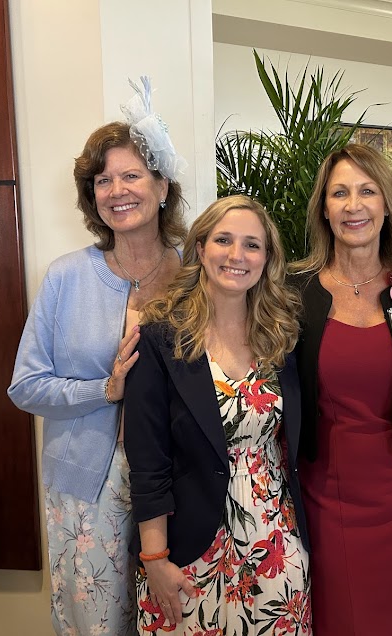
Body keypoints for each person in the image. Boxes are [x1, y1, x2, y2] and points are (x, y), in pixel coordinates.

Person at [8, 78, 187, 635]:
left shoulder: (198, 273)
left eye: (131, 175)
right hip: (86, 486)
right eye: (102, 180)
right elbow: (25, 386)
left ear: (161, 185)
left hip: (180, 479)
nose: (116, 190)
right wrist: (103, 390)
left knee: (177, 618)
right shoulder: (65, 277)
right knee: (97, 625)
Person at [124, 195, 311, 634]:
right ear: (201, 248)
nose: (236, 255)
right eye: (224, 240)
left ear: (267, 258)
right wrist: (155, 558)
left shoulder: (281, 336)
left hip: (274, 538)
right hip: (187, 547)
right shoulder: (160, 338)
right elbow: (148, 462)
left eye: (252, 244)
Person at [289, 143, 392, 635]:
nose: (353, 205)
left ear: (387, 205)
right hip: (325, 488)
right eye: (339, 193)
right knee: (337, 617)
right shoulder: (294, 291)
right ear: (324, 208)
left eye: (367, 191)